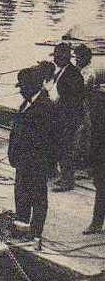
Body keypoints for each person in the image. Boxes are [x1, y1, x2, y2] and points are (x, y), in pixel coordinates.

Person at [8, 67, 57, 250]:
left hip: (36, 163)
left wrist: (49, 165)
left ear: (31, 86)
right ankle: (22, 226)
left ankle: (35, 232)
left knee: (37, 197)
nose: (20, 89)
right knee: (21, 194)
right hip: (23, 161)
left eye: (22, 86)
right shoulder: (27, 103)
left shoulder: (45, 106)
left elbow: (51, 140)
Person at [48, 42, 85, 191]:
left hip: (69, 118)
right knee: (60, 146)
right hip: (61, 115)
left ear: (65, 56)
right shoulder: (62, 71)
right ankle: (62, 175)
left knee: (66, 148)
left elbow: (73, 100)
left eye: (57, 56)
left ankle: (67, 181)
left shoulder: (73, 74)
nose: (55, 59)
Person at [83, 86, 105, 234]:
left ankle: (96, 223)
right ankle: (96, 222)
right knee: (101, 188)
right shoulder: (97, 116)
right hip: (100, 154)